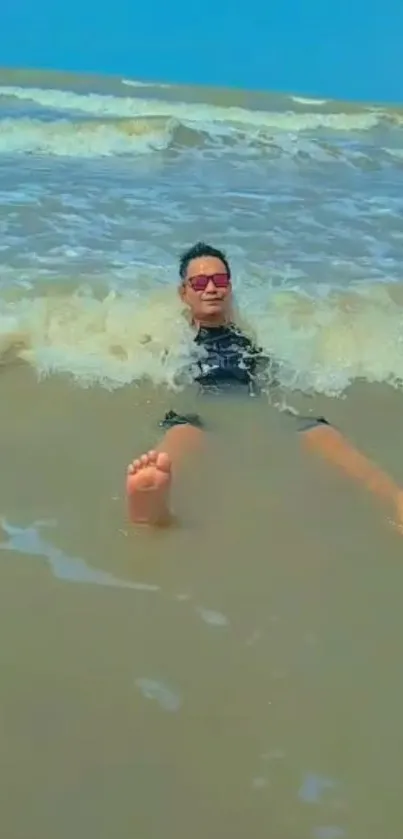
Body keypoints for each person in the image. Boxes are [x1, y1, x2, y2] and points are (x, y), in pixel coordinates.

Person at [126, 242, 403, 528]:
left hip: (251, 403)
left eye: (220, 280)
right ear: (184, 292)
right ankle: (153, 502)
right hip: (198, 406)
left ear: (230, 288)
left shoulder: (246, 334)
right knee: (186, 428)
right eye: (199, 282)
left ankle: (396, 499)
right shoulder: (176, 334)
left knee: (315, 427)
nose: (211, 288)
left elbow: (270, 373)